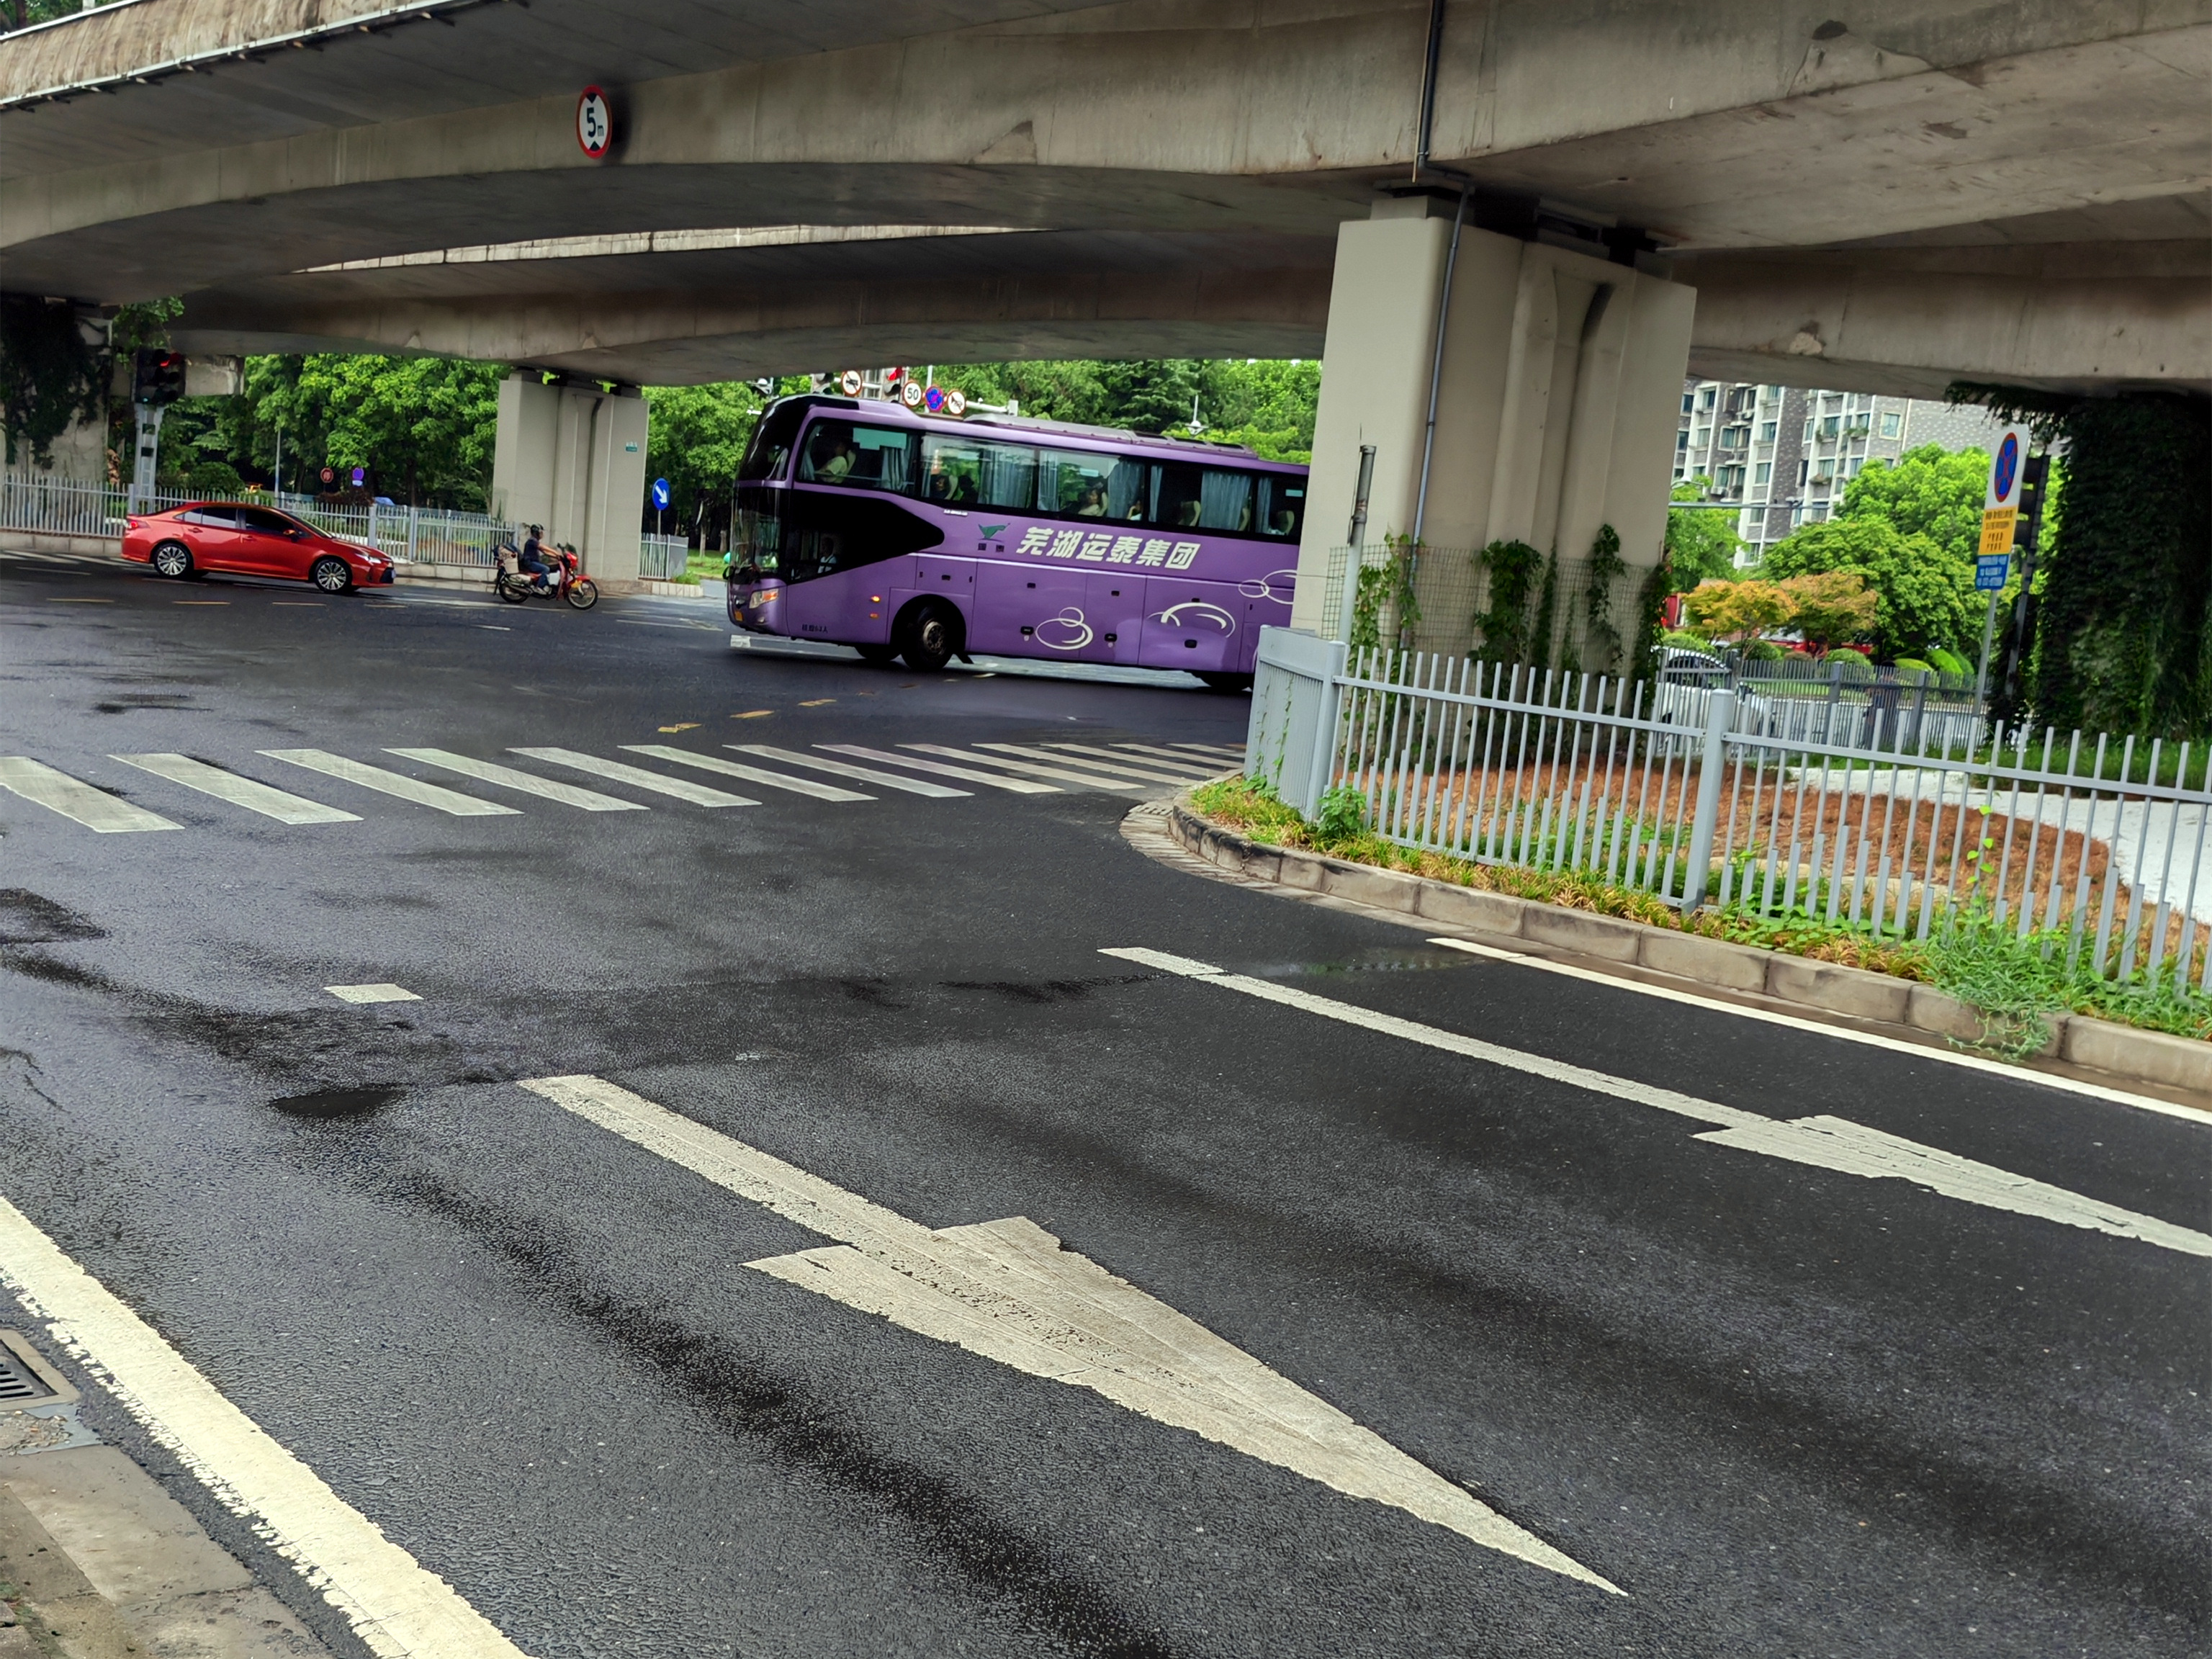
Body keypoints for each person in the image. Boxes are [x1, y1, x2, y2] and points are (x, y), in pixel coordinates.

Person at [518, 524, 555, 590]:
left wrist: (557, 557)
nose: (542, 534)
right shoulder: (532, 541)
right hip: (530, 563)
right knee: (546, 569)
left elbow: (545, 552)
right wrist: (556, 553)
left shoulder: (535, 541)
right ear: (536, 533)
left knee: (549, 566)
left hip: (532, 562)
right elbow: (543, 547)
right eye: (541, 532)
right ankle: (539, 587)